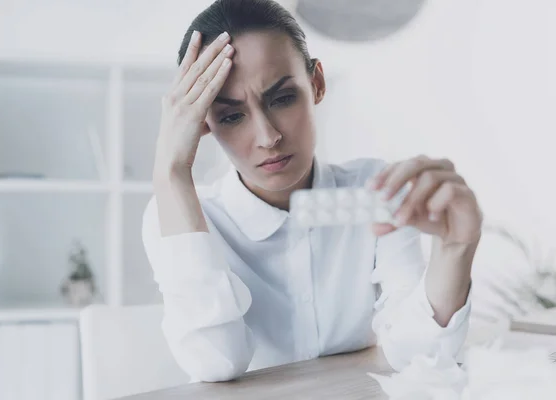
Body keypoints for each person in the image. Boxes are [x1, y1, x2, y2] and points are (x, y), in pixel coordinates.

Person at [142, 0, 483, 383]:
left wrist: (455, 250)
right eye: (231, 115)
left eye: (283, 98)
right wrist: (171, 172)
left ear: (316, 83)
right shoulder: (179, 213)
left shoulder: (373, 189)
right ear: (202, 123)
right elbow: (216, 363)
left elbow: (417, 354)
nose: (268, 137)